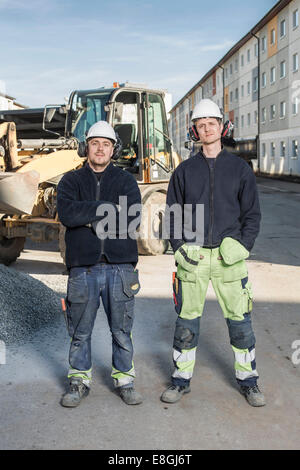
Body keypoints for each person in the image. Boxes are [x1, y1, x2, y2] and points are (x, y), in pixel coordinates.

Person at [161, 99, 266, 407]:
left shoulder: (240, 169)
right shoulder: (183, 171)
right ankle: (181, 380)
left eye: (212, 123)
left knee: (240, 323)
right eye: (201, 125)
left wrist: (243, 246)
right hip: (193, 258)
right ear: (195, 130)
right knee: (186, 323)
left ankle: (249, 381)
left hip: (228, 259)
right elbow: (172, 214)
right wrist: (180, 248)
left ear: (222, 127)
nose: (207, 129)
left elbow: (253, 215)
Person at [57, 120, 143, 407]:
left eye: (106, 144)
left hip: (120, 267)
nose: (100, 148)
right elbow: (68, 215)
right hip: (83, 268)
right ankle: (78, 381)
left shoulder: (126, 181)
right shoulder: (70, 181)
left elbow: (131, 218)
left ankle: (125, 379)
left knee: (121, 330)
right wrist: (103, 210)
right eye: (95, 143)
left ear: (113, 149)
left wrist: (88, 216)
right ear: (86, 147)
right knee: (80, 331)